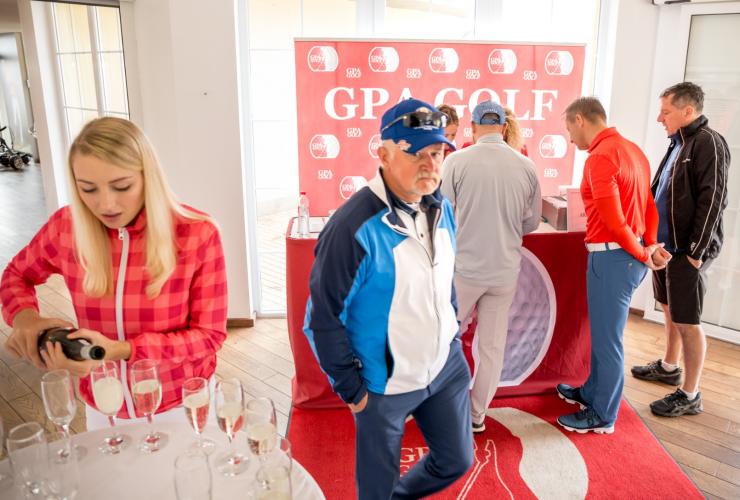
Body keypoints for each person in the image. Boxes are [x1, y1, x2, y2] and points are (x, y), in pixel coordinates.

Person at [1, 117, 227, 431]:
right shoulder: (66, 227)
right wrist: (26, 318)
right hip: (104, 408)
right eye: (88, 189)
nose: (106, 204)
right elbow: (16, 275)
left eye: (122, 186)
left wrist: (122, 351)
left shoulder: (197, 234)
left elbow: (209, 336)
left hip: (184, 404)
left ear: (148, 177)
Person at [304, 98, 473, 499]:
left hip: (444, 368)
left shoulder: (442, 209)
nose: (431, 164)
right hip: (383, 386)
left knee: (457, 460)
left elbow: (442, 279)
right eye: (417, 154)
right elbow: (321, 319)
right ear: (384, 154)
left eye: (437, 153)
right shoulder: (351, 228)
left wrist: (451, 334)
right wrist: (352, 390)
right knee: (376, 491)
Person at [556, 97, 668, 434]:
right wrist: (648, 246)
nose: (570, 138)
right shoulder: (633, 150)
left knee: (608, 342)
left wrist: (643, 252)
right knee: (604, 336)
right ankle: (592, 392)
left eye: (569, 129)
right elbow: (649, 206)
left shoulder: (600, 157)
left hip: (613, 258)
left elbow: (615, 222)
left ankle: (603, 415)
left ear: (580, 119)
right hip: (625, 257)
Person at [440, 100, 541, 433]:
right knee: (492, 347)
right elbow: (531, 223)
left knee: (444, 338)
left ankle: (440, 408)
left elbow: (442, 215)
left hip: (464, 270)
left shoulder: (456, 161)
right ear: (503, 127)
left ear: (472, 128)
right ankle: (477, 415)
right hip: (504, 271)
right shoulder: (526, 166)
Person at [631, 82, 730, 417]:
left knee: (687, 320)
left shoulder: (709, 142)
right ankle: (669, 366)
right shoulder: (678, 142)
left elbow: (714, 200)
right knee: (669, 308)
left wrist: (695, 253)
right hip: (665, 248)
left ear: (688, 111)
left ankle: (690, 394)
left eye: (666, 111)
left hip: (687, 251)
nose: (660, 118)